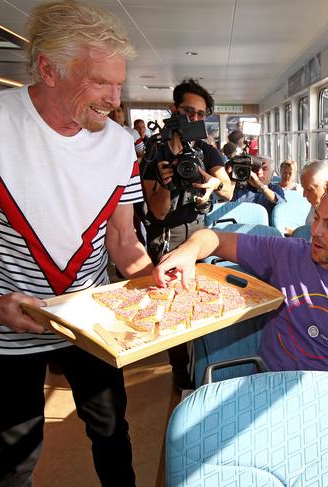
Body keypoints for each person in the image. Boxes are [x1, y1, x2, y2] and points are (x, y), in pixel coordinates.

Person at [0, 2, 151, 485]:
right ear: (48, 68)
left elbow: (123, 237)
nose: (114, 100)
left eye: (119, 84)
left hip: (88, 318)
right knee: (14, 454)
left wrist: (158, 281)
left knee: (113, 434)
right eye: (99, 83)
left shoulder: (119, 144)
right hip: (2, 324)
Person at [154, 179, 328, 391]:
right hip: (266, 383)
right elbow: (215, 238)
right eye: (316, 218)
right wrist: (189, 250)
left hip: (327, 399)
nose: (316, 231)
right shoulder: (289, 254)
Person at [140, 78, 233, 390]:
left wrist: (212, 183)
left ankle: (205, 364)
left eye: (200, 114)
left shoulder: (207, 150)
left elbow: (229, 190)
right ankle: (181, 372)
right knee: (171, 312)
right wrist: (166, 185)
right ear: (173, 110)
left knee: (203, 307)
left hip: (199, 238)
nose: (194, 119)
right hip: (166, 238)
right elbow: (157, 212)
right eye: (188, 112)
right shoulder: (154, 152)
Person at [300, 160, 328, 225]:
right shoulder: (316, 206)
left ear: (327, 186)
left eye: (309, 189)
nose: (304, 195)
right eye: (303, 189)